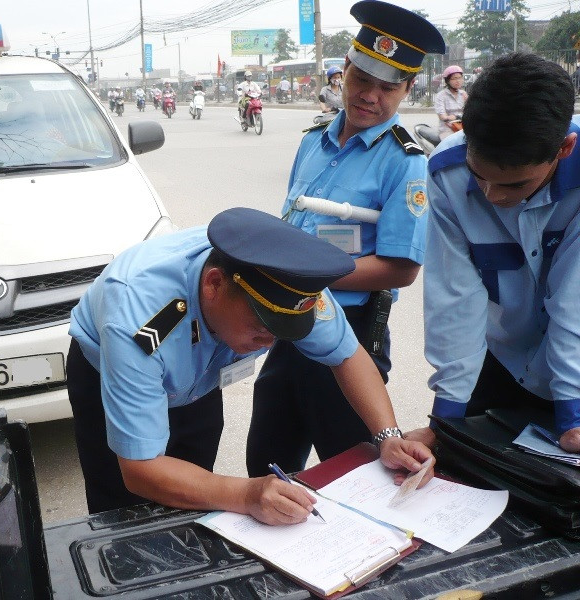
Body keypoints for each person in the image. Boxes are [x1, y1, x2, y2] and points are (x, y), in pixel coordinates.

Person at [68, 207, 435, 520]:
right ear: (214, 284)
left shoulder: (287, 284)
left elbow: (349, 355)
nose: (270, 342)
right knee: (122, 510)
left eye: (281, 332)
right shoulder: (138, 318)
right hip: (111, 374)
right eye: (261, 329)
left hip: (197, 381)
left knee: (194, 491)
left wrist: (388, 437)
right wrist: (246, 495)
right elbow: (140, 470)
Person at [246, 0, 445, 477]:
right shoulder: (312, 140)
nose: (370, 96)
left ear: (407, 89)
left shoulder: (405, 161)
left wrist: (309, 274)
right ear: (345, 71)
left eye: (387, 87)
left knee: (355, 474)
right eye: (361, 80)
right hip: (289, 326)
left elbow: (402, 268)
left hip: (351, 338)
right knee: (268, 463)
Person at [405, 53, 580, 454]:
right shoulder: (446, 173)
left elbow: (574, 302)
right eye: (480, 175)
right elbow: (455, 299)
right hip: (501, 361)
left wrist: (573, 414)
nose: (492, 196)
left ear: (565, 149)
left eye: (516, 184)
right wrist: (446, 421)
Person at [434, 65, 468, 140]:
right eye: (454, 78)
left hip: (463, 128)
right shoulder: (441, 96)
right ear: (447, 81)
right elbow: (443, 117)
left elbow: (470, 112)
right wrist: (457, 117)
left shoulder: (464, 94)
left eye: (459, 78)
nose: (458, 81)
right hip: (447, 130)